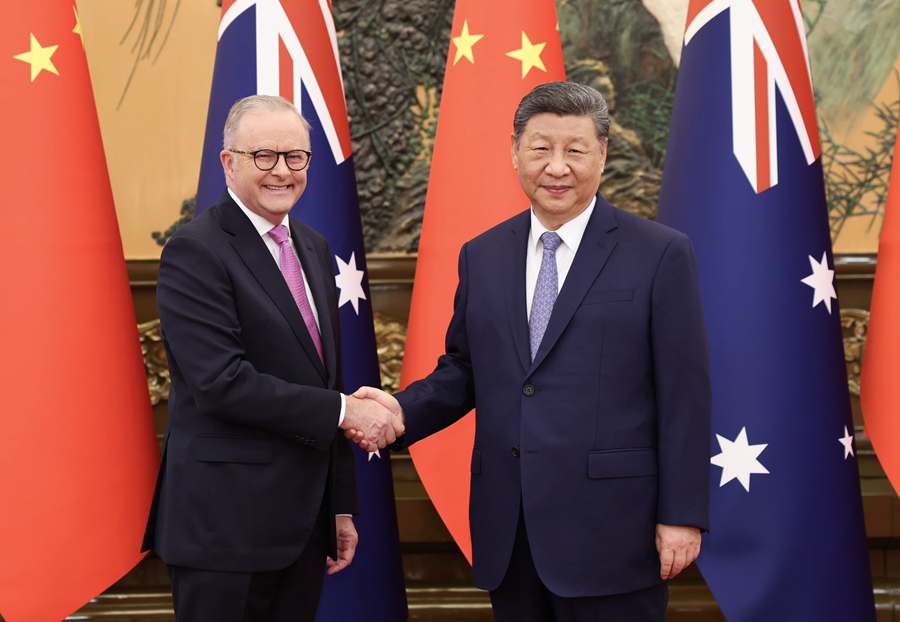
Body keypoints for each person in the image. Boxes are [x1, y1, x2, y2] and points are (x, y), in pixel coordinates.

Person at [352, 81, 712, 621]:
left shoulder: (660, 254)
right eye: (541, 148)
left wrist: (682, 515)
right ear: (515, 152)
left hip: (615, 534)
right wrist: (400, 411)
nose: (557, 166)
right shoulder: (483, 254)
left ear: (603, 154)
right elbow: (466, 369)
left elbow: (684, 394)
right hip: (512, 532)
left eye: (575, 150)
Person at [142, 94, 401, 622]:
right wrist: (346, 411)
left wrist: (339, 506)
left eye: (295, 157)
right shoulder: (196, 250)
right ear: (228, 162)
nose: (281, 171)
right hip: (223, 532)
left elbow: (328, 375)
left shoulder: (313, 245)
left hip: (303, 527)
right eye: (264, 156)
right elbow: (221, 382)